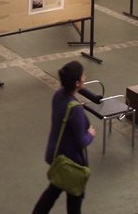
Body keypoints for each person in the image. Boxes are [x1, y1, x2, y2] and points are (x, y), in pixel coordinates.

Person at [32, 61, 96, 214]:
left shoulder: (58, 95)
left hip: (56, 155)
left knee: (54, 190)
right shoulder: (76, 109)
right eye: (83, 76)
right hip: (71, 161)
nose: (85, 78)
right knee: (74, 198)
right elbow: (81, 141)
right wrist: (90, 135)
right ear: (77, 83)